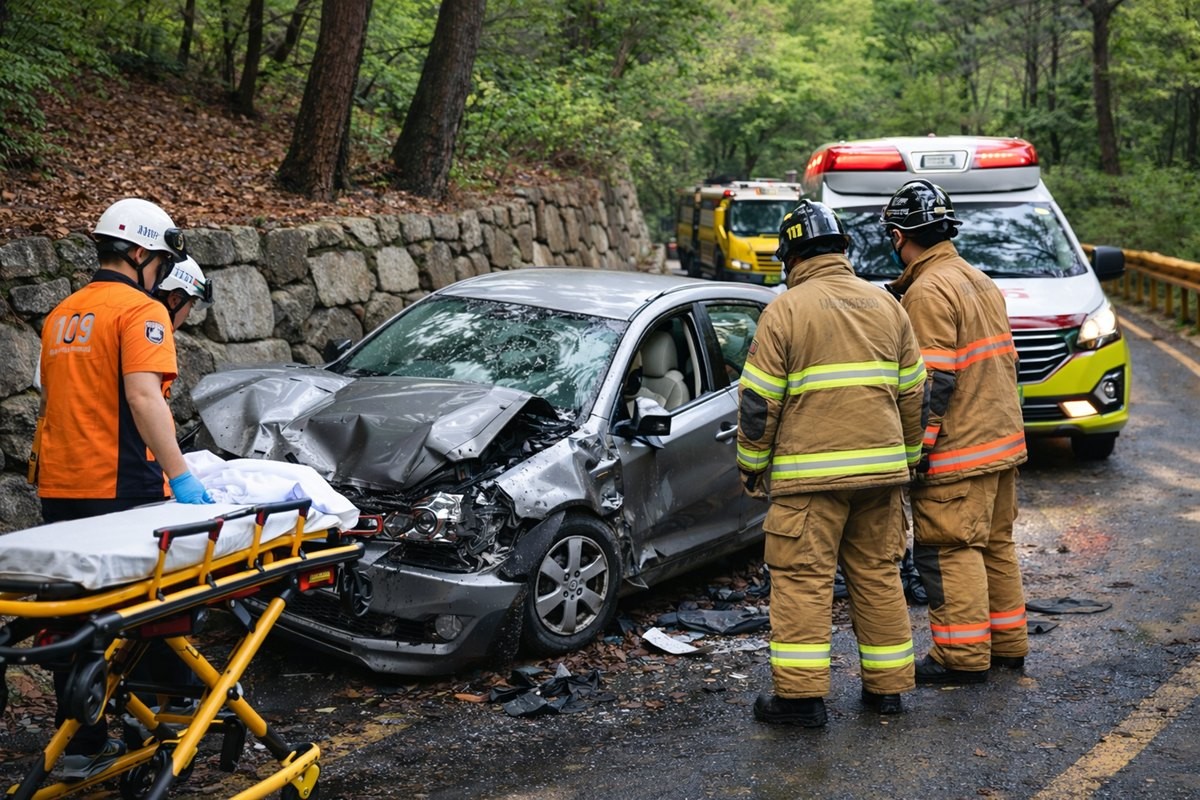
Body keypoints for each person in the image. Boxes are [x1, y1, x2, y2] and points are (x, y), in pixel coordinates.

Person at [31, 198, 214, 781]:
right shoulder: (140, 312)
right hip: (119, 483)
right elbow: (143, 398)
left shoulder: (64, 312)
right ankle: (158, 719)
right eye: (159, 260)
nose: (160, 273)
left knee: (75, 615)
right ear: (138, 252)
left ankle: (83, 742)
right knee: (146, 612)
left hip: (59, 482)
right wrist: (181, 475)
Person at [737, 200, 927, 727]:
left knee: (802, 580)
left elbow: (759, 404)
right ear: (844, 249)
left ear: (790, 256)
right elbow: (915, 394)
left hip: (808, 481)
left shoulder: (786, 310)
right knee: (878, 575)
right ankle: (887, 690)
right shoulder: (888, 306)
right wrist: (906, 459)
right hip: (881, 477)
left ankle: (800, 701)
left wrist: (752, 467)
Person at [881, 180, 1029, 685]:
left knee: (950, 549)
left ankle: (961, 657)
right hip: (1001, 444)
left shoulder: (928, 290)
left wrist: (914, 453)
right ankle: (1007, 644)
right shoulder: (978, 279)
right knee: (994, 544)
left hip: (959, 453)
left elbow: (932, 383)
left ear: (899, 236)